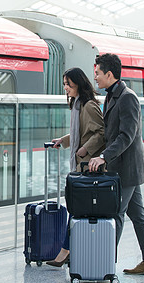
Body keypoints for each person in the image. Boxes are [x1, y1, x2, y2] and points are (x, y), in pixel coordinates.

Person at [89, 53, 144, 275]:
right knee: (137, 215)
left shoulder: (127, 97)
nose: (96, 79)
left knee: (115, 213)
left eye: (98, 74)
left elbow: (126, 136)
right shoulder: (112, 96)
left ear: (109, 74)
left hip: (127, 167)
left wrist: (103, 157)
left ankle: (103, 265)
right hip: (124, 167)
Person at [46, 67, 105, 267]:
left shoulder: (88, 106)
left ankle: (65, 251)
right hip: (82, 166)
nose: (65, 88)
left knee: (75, 208)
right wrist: (63, 141)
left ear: (78, 84)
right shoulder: (78, 105)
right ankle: (68, 250)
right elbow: (80, 134)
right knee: (75, 208)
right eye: (64, 84)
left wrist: (84, 150)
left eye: (68, 84)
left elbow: (99, 133)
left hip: (88, 167)